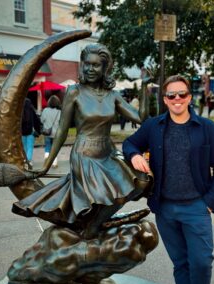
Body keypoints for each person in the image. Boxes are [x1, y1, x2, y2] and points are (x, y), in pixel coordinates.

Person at [12, 43, 152, 239]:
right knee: (103, 195)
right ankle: (92, 229)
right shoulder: (74, 92)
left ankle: (95, 225)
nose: (90, 69)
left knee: (141, 181)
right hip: (84, 155)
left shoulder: (113, 96)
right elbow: (62, 129)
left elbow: (141, 118)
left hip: (109, 153)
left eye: (96, 65)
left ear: (105, 69)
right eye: (86, 64)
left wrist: (145, 87)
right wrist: (46, 163)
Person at [123, 75, 214, 284]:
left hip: (197, 208)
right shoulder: (154, 126)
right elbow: (129, 143)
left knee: (201, 263)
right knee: (180, 263)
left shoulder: (207, 128)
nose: (177, 98)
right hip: (166, 209)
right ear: (165, 99)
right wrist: (134, 155)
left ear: (190, 97)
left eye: (182, 94)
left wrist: (210, 202)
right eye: (171, 95)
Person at [41, 95, 61, 168]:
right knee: (54, 148)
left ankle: (46, 159)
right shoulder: (59, 112)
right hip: (56, 133)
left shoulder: (45, 110)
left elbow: (41, 120)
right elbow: (61, 123)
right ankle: (54, 163)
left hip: (47, 132)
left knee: (47, 147)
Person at [21, 98, 41, 166]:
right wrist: (38, 130)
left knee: (24, 147)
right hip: (30, 132)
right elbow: (36, 121)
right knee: (30, 147)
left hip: (22, 132)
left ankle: (24, 159)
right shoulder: (31, 110)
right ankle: (28, 160)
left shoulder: (20, 112)